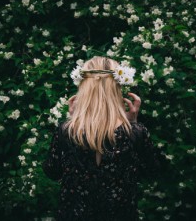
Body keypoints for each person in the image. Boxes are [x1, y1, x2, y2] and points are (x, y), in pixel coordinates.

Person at [42, 56, 164, 221]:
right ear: (116, 88)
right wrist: (133, 124)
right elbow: (152, 171)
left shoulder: (66, 131)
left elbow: (52, 171)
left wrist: (73, 122)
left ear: (84, 88)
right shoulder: (135, 133)